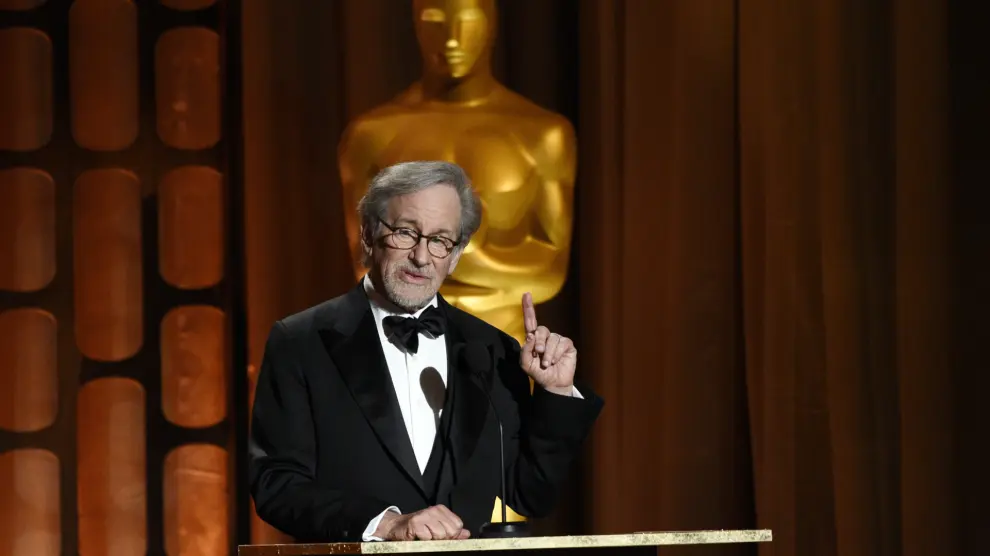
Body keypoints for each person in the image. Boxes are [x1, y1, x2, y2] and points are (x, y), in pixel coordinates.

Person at [248, 161, 603, 542]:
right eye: (405, 233)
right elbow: (276, 485)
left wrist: (556, 392)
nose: (421, 257)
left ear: (456, 254)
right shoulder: (300, 341)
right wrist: (385, 524)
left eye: (440, 240)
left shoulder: (492, 349)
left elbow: (530, 494)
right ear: (368, 234)